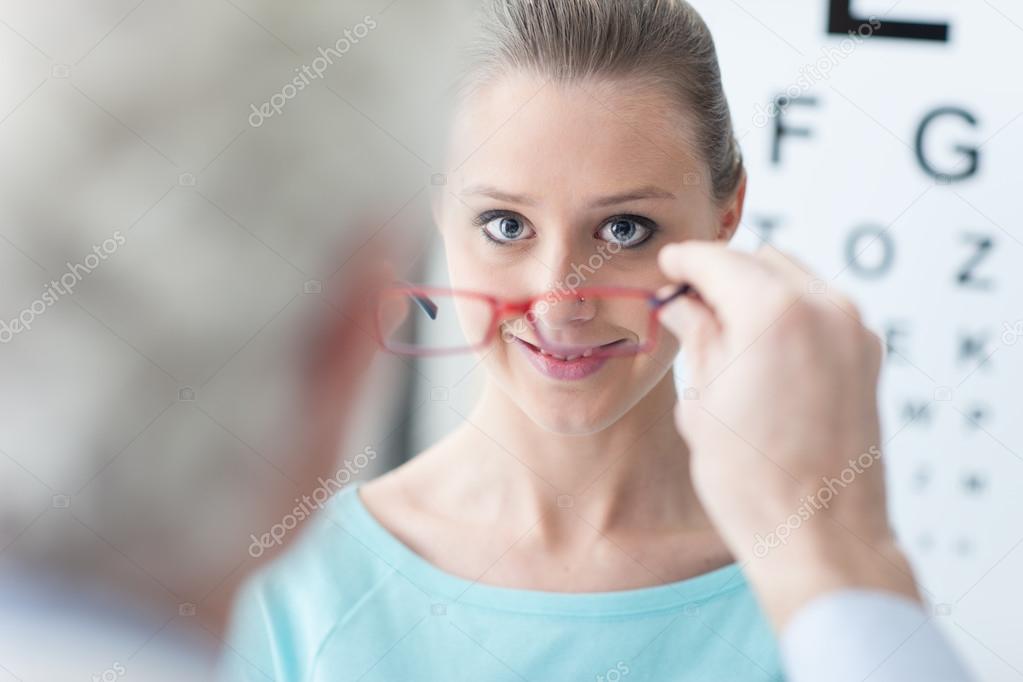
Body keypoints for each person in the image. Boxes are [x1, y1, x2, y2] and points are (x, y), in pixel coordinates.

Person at [220, 1, 973, 680]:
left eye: (623, 229)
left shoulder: (819, 598)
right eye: (505, 226)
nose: (558, 303)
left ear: (725, 214)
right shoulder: (295, 583)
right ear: (437, 213)